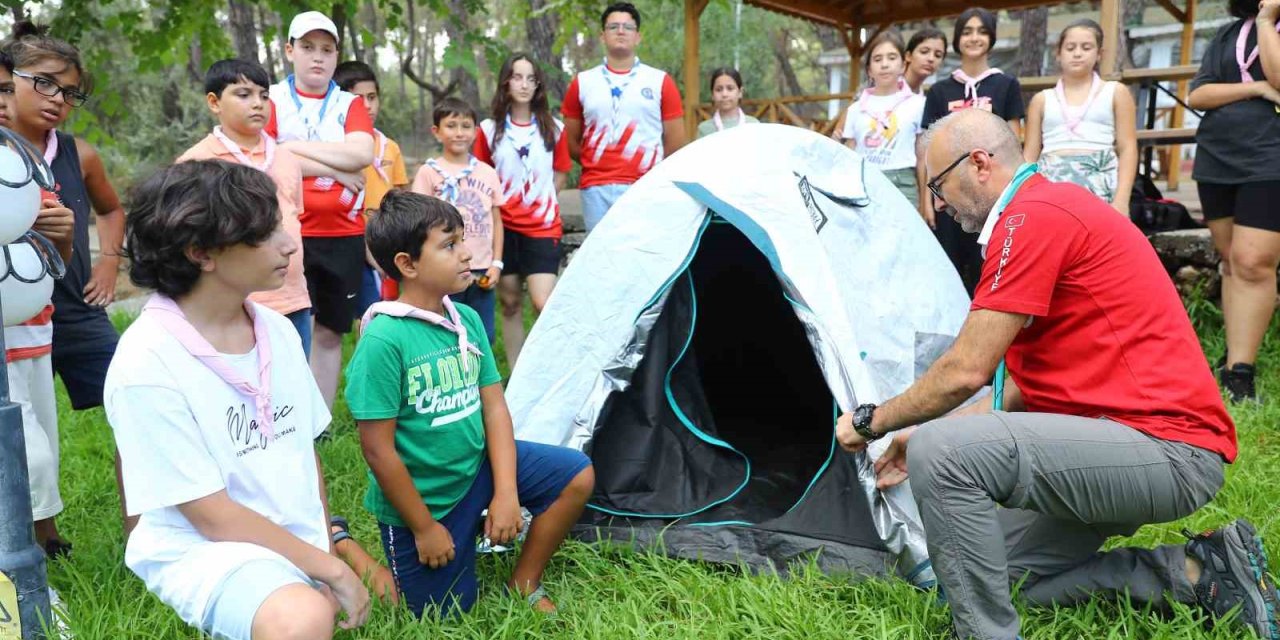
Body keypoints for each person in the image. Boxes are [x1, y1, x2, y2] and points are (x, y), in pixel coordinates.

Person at [836, 108, 1275, 640]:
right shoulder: (1041, 211)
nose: (938, 202)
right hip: (1123, 442)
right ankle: (1195, 571)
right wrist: (921, 430)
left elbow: (966, 369)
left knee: (946, 456)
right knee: (989, 575)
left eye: (938, 184)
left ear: (978, 163)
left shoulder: (1033, 216)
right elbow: (1022, 389)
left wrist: (871, 420)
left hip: (1167, 450)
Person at [105, 160, 372, 640]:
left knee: (309, 608)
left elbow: (301, 453)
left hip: (286, 537)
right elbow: (210, 515)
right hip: (205, 545)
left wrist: (324, 553)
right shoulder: (146, 361)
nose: (289, 244)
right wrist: (330, 573)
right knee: (301, 620)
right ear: (201, 252)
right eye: (265, 233)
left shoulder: (275, 330)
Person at [345, 190, 594, 617]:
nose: (466, 253)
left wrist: (506, 492)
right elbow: (377, 450)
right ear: (407, 264)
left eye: (462, 240)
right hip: (426, 501)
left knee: (575, 474)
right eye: (449, 245)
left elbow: (494, 408)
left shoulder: (468, 319)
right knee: (436, 613)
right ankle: (341, 544)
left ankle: (524, 580)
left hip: (475, 466)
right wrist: (424, 528)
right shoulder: (384, 340)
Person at [4, 21, 129, 533]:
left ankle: (143, 524)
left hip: (74, 306)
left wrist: (106, 262)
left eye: (70, 92)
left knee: (132, 395)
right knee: (23, 424)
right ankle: (42, 537)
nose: (59, 99)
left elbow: (111, 209)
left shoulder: (80, 155)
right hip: (14, 314)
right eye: (46, 81)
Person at [265, 10, 376, 409]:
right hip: (286, 231)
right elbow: (267, 154)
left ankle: (319, 419)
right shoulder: (273, 98)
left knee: (330, 330)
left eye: (327, 50)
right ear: (289, 50)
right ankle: (282, 411)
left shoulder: (348, 103)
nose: (318, 58)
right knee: (283, 328)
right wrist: (337, 166)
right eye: (308, 48)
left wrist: (293, 150)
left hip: (342, 233)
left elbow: (363, 152)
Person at [178, 59, 313, 358]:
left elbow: (293, 220)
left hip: (292, 301)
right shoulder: (197, 162)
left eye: (264, 95)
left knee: (292, 390)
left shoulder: (286, 159)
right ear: (214, 102)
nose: (258, 104)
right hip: (231, 305)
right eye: (243, 94)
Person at [0, 48, 76, 559]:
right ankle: (18, 544)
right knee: (28, 450)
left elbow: (56, 263)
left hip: (32, 328)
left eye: (7, 90)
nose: (3, 102)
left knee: (41, 430)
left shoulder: (23, 168)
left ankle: (44, 537)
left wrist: (62, 233)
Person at [1188, 0, 1280, 402]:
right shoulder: (1228, 33)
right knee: (1230, 260)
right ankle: (1232, 359)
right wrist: (1257, 88)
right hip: (1218, 156)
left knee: (1252, 261)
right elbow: (1199, 93)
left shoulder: (1264, 26)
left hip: (1271, 156)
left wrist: (1266, 20)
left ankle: (1241, 372)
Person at [919, 7, 1025, 295]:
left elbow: (1014, 140)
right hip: (949, 194)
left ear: (991, 37)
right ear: (957, 39)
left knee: (989, 267)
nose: (974, 37)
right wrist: (927, 200)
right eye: (966, 31)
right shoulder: (940, 90)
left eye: (981, 31)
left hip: (990, 194)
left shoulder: (1006, 84)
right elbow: (924, 150)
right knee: (948, 268)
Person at [474, 53, 571, 366]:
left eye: (531, 78)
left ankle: (550, 366)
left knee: (544, 302)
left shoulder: (553, 128)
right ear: (506, 82)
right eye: (517, 77)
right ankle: (518, 374)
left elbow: (560, 173)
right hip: (504, 227)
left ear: (538, 84)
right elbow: (481, 175)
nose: (524, 84)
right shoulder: (489, 130)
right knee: (511, 301)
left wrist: (539, 201)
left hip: (542, 227)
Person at [562, 2, 686, 231]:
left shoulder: (659, 81)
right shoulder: (583, 82)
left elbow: (676, 142)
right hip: (595, 187)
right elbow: (570, 140)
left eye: (627, 27)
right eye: (613, 27)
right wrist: (596, 161)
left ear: (638, 36)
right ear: (602, 36)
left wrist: (651, 172)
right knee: (601, 258)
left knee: (641, 254)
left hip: (644, 185)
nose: (620, 31)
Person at [412, 97, 503, 344]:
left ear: (475, 132)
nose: (459, 132)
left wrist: (496, 263)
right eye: (451, 125)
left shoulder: (487, 172)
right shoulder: (429, 173)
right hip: (443, 267)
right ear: (437, 132)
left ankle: (479, 381)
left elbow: (496, 220)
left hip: (481, 269)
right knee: (444, 331)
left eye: (465, 126)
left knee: (483, 334)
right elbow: (419, 222)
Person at [1024, 19, 1137, 213]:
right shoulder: (1041, 100)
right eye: (1070, 47)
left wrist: (1121, 200)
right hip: (1051, 185)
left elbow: (1128, 147)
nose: (1077, 53)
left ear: (1099, 54)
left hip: (1101, 184)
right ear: (1058, 54)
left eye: (1086, 47)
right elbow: (1030, 155)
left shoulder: (1115, 92)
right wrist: (1024, 195)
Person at [333, 60, 410, 318]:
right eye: (357, 98)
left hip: (387, 239)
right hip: (352, 238)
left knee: (392, 309)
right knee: (364, 313)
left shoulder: (391, 147)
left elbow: (401, 196)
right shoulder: (335, 147)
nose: (366, 105)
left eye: (372, 97)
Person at [841, 31, 926, 208]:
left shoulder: (918, 104)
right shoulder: (855, 109)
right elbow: (849, 155)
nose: (885, 64)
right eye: (878, 59)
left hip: (904, 184)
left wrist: (926, 201)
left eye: (892, 57)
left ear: (903, 64)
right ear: (869, 70)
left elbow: (922, 156)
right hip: (864, 183)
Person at [696, 67, 758, 138]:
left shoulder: (753, 125)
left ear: (740, 92)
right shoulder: (704, 129)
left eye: (730, 88)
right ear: (712, 94)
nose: (724, 94)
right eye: (719, 90)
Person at [904, 28, 947, 94]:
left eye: (938, 55)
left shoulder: (925, 97)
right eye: (924, 52)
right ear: (908, 56)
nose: (931, 59)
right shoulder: (888, 87)